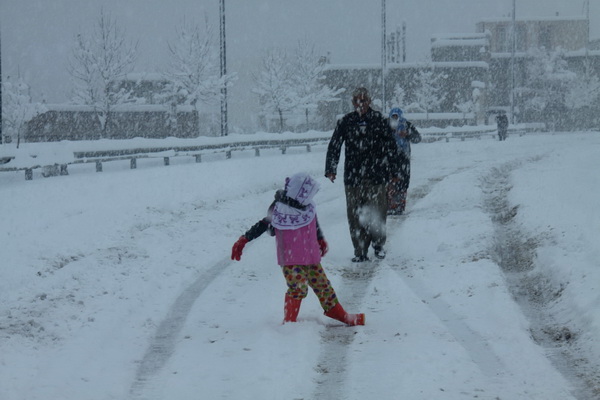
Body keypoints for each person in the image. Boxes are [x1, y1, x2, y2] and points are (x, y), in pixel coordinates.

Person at [230, 172, 365, 326]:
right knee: (298, 287)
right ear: (298, 192)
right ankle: (289, 321)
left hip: (311, 256)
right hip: (290, 259)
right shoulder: (279, 208)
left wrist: (319, 238)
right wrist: (245, 239)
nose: (309, 198)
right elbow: (263, 225)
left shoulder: (307, 206)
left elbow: (314, 221)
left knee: (324, 286)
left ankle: (339, 314)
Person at [325, 87, 402, 262]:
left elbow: (391, 147)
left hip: (376, 175)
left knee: (377, 212)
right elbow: (335, 145)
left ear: (369, 101)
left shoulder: (380, 121)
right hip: (353, 177)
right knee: (355, 214)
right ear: (353, 103)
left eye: (364, 100)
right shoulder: (345, 122)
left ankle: (378, 245)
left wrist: (394, 171)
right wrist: (331, 168)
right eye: (357, 101)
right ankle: (360, 250)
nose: (361, 104)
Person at [387, 107, 421, 215]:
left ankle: (399, 206)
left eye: (397, 116)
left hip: (404, 158)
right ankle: (390, 205)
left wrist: (407, 134)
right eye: (393, 117)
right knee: (391, 181)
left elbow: (417, 138)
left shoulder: (407, 125)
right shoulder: (387, 126)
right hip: (390, 158)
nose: (395, 119)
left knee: (403, 182)